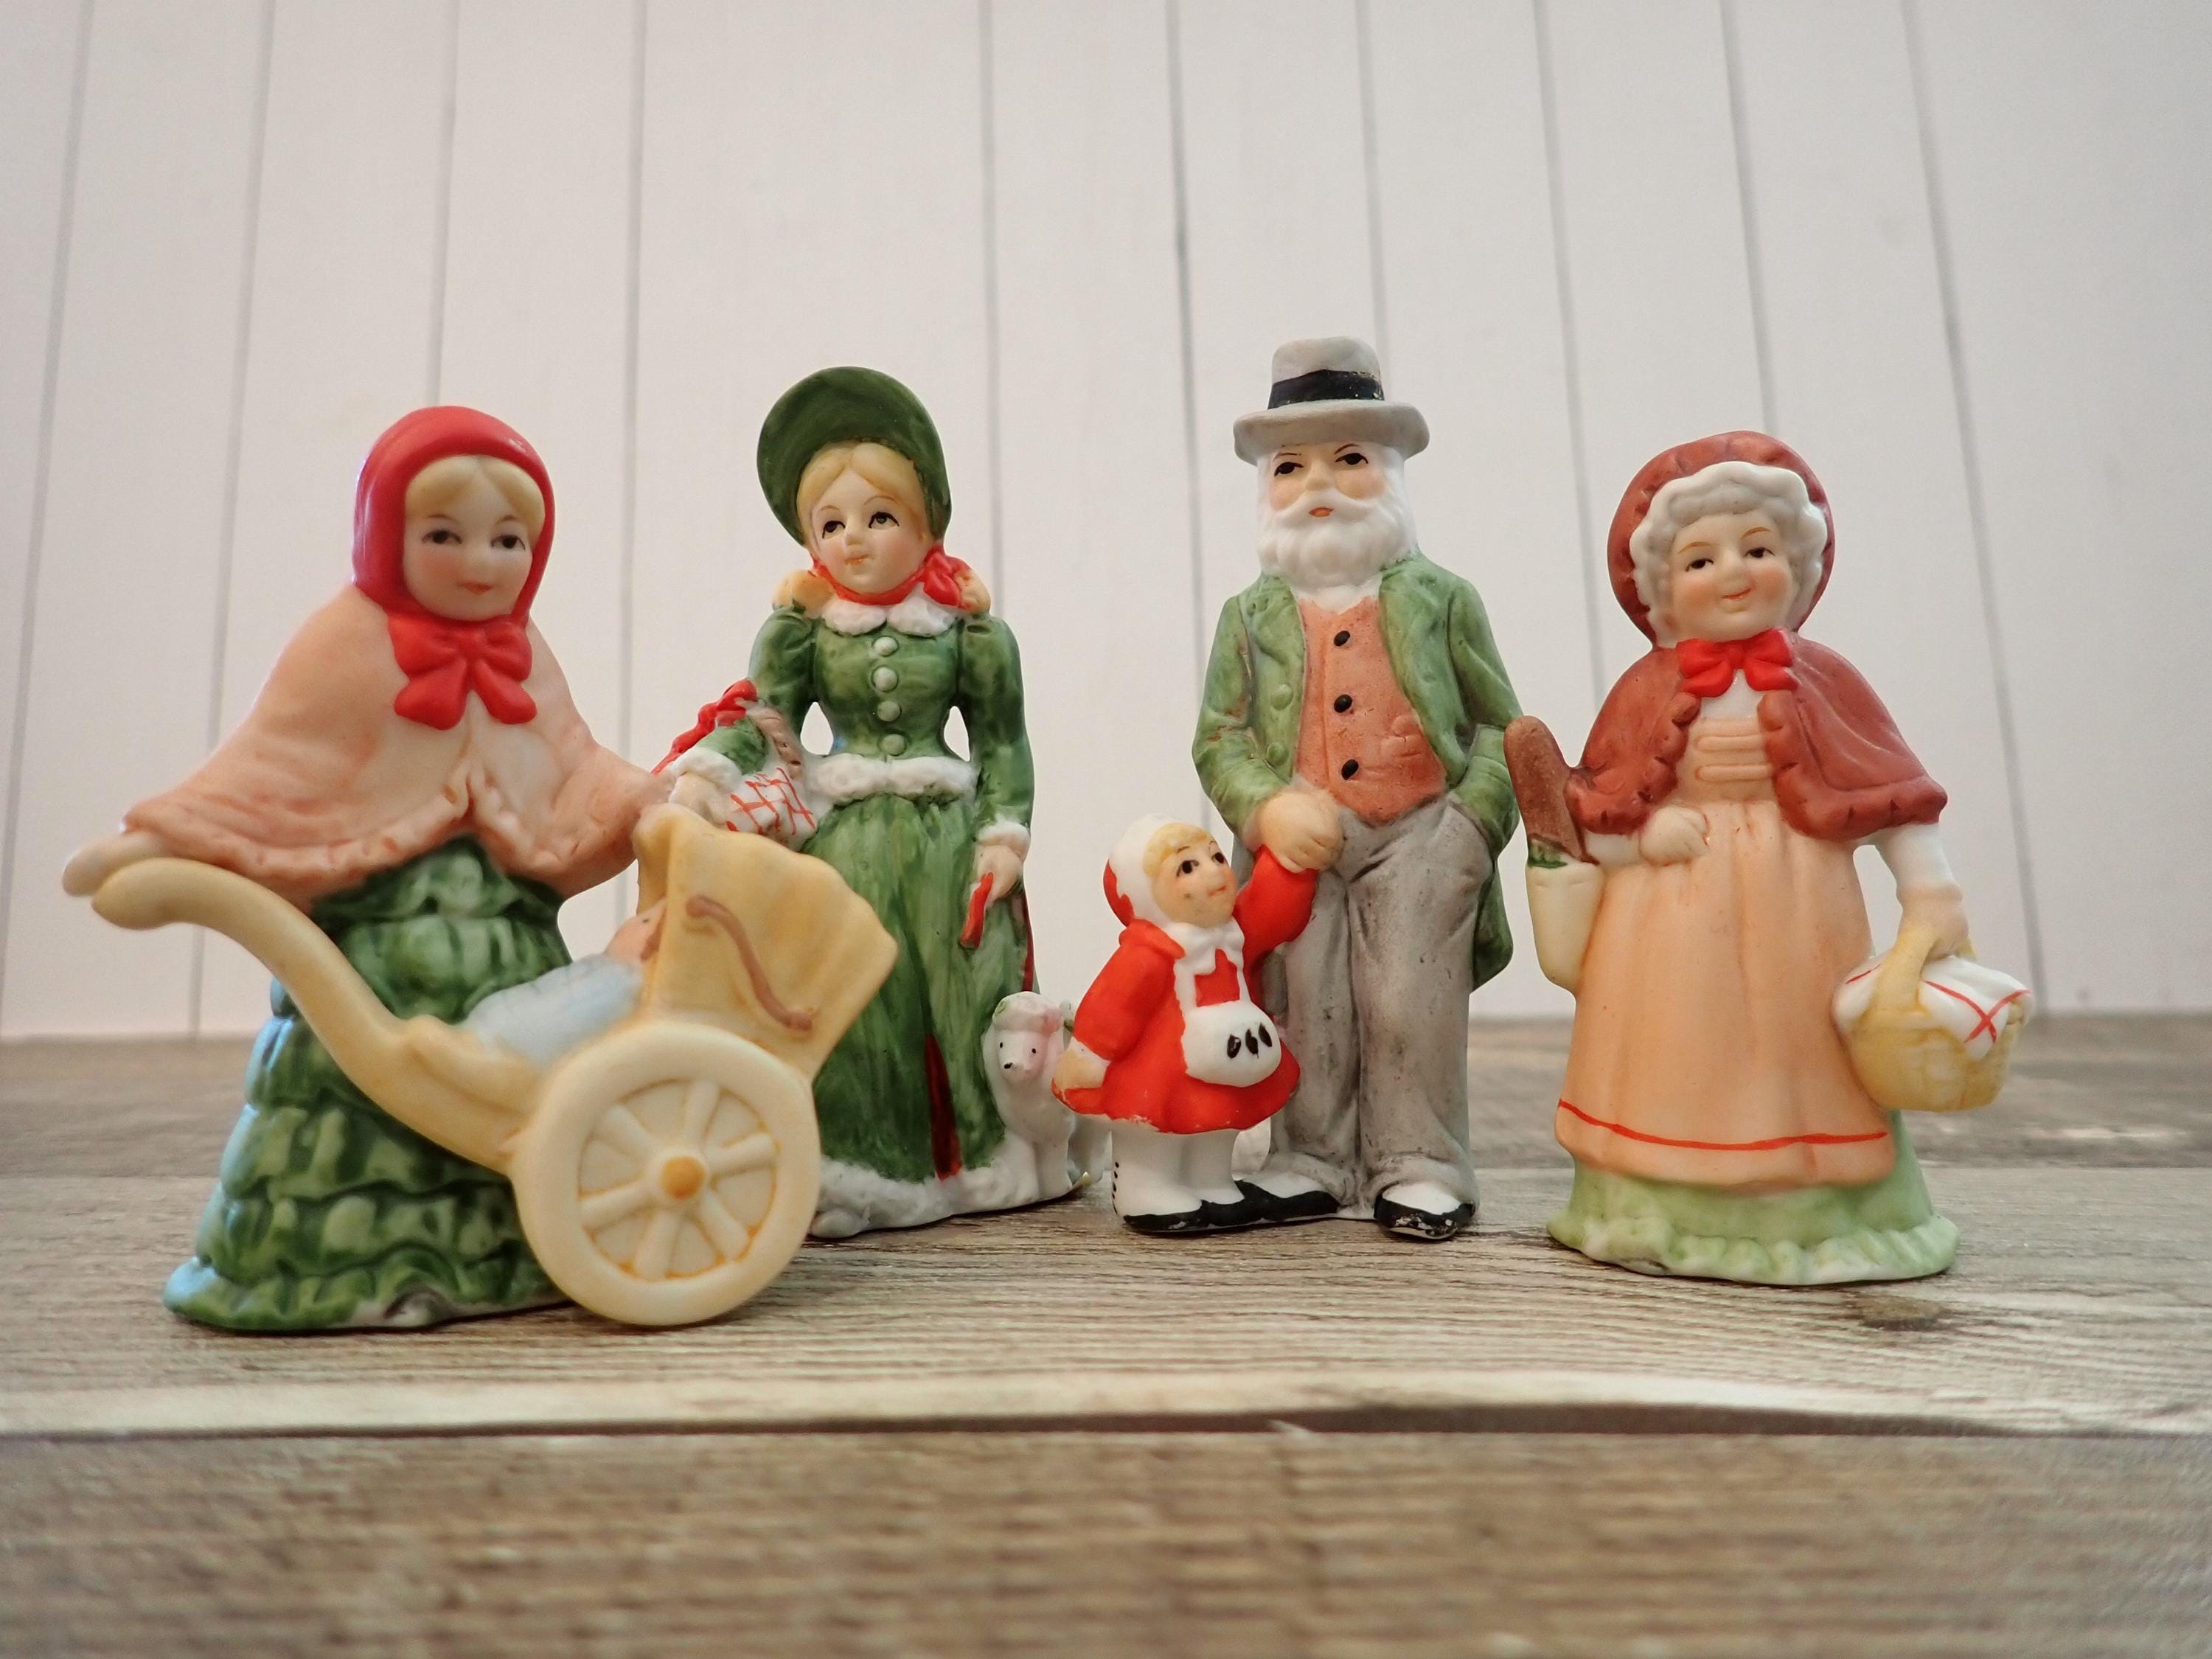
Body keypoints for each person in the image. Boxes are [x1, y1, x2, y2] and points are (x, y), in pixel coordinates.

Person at [63, 407, 666, 1329]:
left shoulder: (525, 655)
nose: (481, 562)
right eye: (444, 536)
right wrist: (151, 843)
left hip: (500, 940)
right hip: (376, 947)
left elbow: (575, 766)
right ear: (386, 535)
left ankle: (521, 1249)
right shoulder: (343, 647)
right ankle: (342, 1273)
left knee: (513, 1080)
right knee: (366, 1089)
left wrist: (654, 800)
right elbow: (265, 772)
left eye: (508, 540)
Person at [1538, 431, 1970, 1283]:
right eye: (1701, 560)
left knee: (1798, 1048)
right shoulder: (1645, 690)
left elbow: (1892, 793)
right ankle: (1656, 1202)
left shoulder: (1827, 681)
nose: (1733, 572)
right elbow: (1591, 808)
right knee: (1673, 1046)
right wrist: (1641, 840)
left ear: (1799, 566)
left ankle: (1817, 1208)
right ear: (1661, 589)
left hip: (1798, 901)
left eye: (1758, 549)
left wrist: (1931, 889)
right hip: (1669, 914)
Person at [661, 368, 1038, 1238]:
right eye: (831, 524)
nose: (855, 540)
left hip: (946, 841)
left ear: (925, 523)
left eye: (879, 517)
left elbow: (1002, 745)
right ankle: (869, 1166)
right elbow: (763, 722)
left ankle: (988, 1155)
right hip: (847, 843)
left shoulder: (972, 635)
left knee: (962, 985)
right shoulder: (799, 632)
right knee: (858, 990)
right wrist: (706, 778)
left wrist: (1004, 834)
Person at [1193, 338, 1520, 1242]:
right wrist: (1265, 806)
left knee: (1408, 1002)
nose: (1319, 487)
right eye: (1290, 468)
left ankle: (1422, 1163)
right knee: (1309, 1006)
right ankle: (1310, 1157)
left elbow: (1503, 727)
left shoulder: (1442, 599)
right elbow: (1218, 736)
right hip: (1304, 847)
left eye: (1348, 460)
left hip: (1420, 832)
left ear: (1390, 473)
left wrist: (1470, 825)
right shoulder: (1249, 617)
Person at [1051, 816, 1316, 1234]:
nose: (1213, 872)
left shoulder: (1235, 932)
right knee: (1154, 1131)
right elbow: (1113, 1006)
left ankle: (1212, 1182)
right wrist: (1091, 1054)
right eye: (1187, 867)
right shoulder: (1149, 952)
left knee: (1220, 1122)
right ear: (1145, 895)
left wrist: (1289, 861)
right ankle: (1144, 1190)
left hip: (1233, 1055)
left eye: (1216, 857)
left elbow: (1273, 908)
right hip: (1164, 1066)